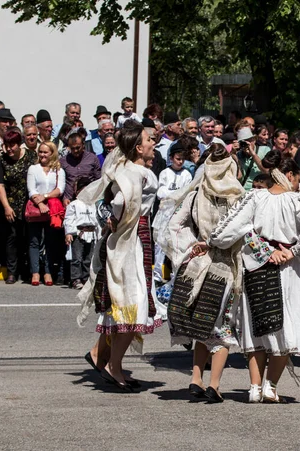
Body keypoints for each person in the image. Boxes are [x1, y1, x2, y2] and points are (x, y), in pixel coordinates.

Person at [198, 150, 300, 403]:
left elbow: (227, 229)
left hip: (256, 266)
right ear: (289, 175)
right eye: (296, 178)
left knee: (256, 327)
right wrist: (292, 250)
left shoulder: (254, 197)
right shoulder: (296, 201)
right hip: (287, 270)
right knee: (287, 326)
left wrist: (213, 242)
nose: (297, 183)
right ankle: (270, 387)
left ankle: (254, 387)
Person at [78, 121, 167, 391]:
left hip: (128, 240)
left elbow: (107, 203)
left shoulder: (125, 170)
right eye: (149, 140)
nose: (153, 142)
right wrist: (117, 219)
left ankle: (101, 356)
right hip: (133, 242)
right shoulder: (140, 174)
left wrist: (111, 220)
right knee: (132, 305)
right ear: (139, 147)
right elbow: (117, 203)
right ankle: (113, 365)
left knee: (122, 304)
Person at [154, 144, 245, 403]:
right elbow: (241, 232)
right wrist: (213, 243)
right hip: (225, 267)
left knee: (203, 323)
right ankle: (214, 385)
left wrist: (190, 247)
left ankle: (195, 378)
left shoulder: (195, 194)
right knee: (222, 327)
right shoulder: (237, 196)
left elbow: (174, 225)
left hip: (196, 265)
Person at [0, 128, 37, 284]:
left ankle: (27, 270)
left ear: (19, 144)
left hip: (28, 204)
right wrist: (6, 207)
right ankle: (12, 272)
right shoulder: (2, 160)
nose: (9, 149)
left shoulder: (31, 157)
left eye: (12, 145)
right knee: (12, 238)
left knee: (28, 238)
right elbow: (0, 185)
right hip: (11, 205)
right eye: (7, 145)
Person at [152, 142, 193, 284]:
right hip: (164, 213)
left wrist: (175, 195)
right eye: (177, 158)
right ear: (171, 158)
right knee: (160, 245)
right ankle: (157, 274)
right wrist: (176, 193)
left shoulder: (187, 174)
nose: (180, 162)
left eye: (182, 159)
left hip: (178, 214)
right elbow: (160, 193)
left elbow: (187, 193)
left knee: (176, 244)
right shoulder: (165, 173)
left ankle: (176, 275)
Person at [26, 142, 66, 286]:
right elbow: (31, 189)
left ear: (52, 153)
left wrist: (46, 197)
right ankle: (35, 272)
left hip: (52, 210)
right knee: (34, 241)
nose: (42, 155)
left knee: (50, 241)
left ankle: (48, 272)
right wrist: (40, 203)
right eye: (40, 152)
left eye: (45, 152)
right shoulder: (33, 168)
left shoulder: (59, 170)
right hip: (36, 208)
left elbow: (59, 189)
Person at [64, 177, 100, 290]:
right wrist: (69, 232)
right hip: (79, 233)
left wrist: (99, 233)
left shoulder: (94, 204)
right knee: (77, 258)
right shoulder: (74, 204)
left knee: (88, 258)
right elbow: (69, 218)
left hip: (91, 233)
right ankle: (75, 279)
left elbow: (97, 220)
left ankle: (86, 277)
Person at [60, 132, 101, 207]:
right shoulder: (63, 161)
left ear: (83, 144)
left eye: (78, 147)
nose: (75, 151)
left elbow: (98, 179)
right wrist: (64, 198)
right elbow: (61, 182)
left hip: (89, 199)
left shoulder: (92, 158)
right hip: (70, 201)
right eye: (72, 148)